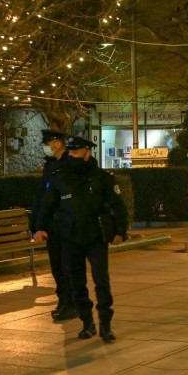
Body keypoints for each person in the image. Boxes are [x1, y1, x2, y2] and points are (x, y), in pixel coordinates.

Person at [34, 136, 129, 343]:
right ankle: (87, 323)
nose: (72, 156)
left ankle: (105, 325)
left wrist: (121, 231)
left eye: (77, 152)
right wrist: (39, 228)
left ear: (88, 153)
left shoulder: (102, 178)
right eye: (70, 152)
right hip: (69, 237)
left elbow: (118, 205)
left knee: (101, 282)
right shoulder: (59, 178)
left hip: (96, 237)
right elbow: (47, 205)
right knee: (76, 283)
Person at [30, 129, 75, 322]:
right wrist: (37, 223)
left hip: (65, 223)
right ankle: (64, 301)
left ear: (56, 143)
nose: (46, 148)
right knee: (56, 265)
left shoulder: (69, 164)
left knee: (67, 266)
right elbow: (43, 196)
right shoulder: (51, 165)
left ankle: (71, 303)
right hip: (52, 224)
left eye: (47, 144)